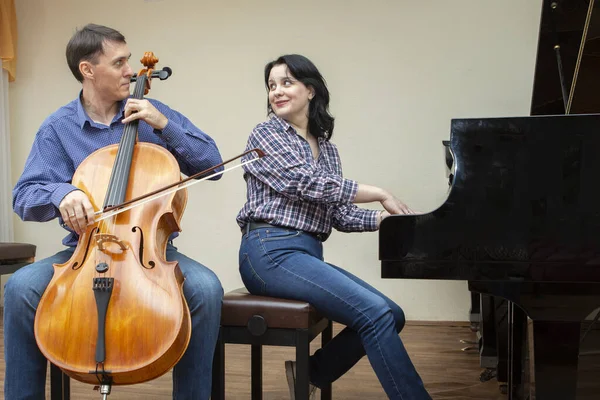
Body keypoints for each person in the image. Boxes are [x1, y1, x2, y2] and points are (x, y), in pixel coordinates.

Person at [5, 24, 224, 400]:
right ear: (88, 70)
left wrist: (164, 125)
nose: (129, 70)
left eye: (128, 60)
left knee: (205, 289)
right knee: (21, 288)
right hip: (83, 251)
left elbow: (214, 166)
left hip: (152, 251)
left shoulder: (153, 114)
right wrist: (61, 194)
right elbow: (23, 196)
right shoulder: (58, 129)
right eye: (119, 62)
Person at [236, 54, 431, 400]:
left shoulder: (328, 150)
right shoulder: (265, 134)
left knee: (392, 314)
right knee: (374, 314)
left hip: (306, 253)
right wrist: (379, 193)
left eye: (286, 82)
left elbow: (338, 213)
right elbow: (305, 183)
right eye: (271, 85)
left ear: (310, 90)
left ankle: (311, 373)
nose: (276, 91)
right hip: (268, 251)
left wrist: (387, 221)